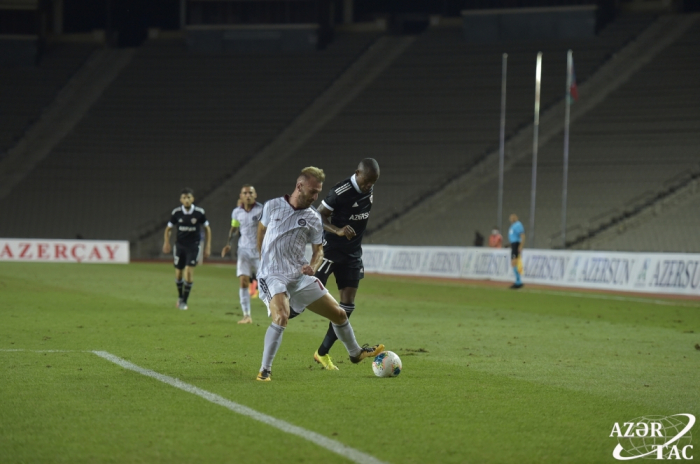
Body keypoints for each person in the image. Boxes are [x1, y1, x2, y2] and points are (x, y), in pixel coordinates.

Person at [255, 166, 384, 382]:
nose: (316, 197)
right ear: (299, 186)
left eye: (318, 192)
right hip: (272, 275)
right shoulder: (272, 206)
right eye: (313, 192)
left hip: (299, 276)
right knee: (282, 317)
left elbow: (319, 251)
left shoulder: (313, 217)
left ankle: (355, 353)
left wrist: (313, 267)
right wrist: (263, 261)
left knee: (340, 314)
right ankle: (264, 370)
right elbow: (261, 230)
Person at [292, 158, 380, 371]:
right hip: (329, 251)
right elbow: (318, 216)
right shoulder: (339, 192)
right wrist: (338, 230)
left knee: (347, 304)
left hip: (352, 255)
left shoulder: (369, 189)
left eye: (372, 183)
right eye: (367, 181)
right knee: (303, 298)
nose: (369, 186)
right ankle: (279, 302)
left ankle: (322, 353)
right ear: (357, 173)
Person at [163, 188, 211, 310]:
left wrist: (208, 245)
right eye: (184, 198)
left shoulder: (199, 212)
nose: (187, 200)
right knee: (178, 273)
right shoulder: (176, 213)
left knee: (188, 271)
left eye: (189, 197)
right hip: (179, 246)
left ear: (192, 199)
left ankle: (184, 301)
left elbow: (207, 228)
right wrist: (166, 242)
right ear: (181, 200)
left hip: (193, 246)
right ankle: (180, 296)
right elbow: (168, 228)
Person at [221, 185, 263, 324]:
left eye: (250, 192)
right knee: (243, 281)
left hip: (259, 252)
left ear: (255, 195)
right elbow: (234, 229)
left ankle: (277, 311)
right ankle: (246, 315)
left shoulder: (261, 210)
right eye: (245, 193)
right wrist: (229, 244)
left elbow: (267, 229)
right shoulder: (236, 212)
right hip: (243, 250)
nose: (248, 195)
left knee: (266, 283)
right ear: (241, 196)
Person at [508, 214, 525, 289]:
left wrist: (521, 245)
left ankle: (518, 282)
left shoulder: (518, 224)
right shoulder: (513, 226)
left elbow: (522, 235)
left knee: (514, 262)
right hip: (513, 244)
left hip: (516, 244)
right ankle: (518, 281)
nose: (512, 219)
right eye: (511, 217)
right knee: (514, 263)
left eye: (513, 217)